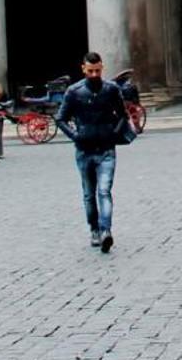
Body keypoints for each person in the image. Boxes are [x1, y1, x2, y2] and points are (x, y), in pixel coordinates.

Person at [54, 52, 129, 253]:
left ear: (102, 68)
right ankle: (94, 229)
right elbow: (59, 118)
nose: (94, 75)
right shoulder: (74, 92)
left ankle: (106, 231)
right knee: (89, 194)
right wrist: (75, 136)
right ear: (83, 69)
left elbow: (124, 115)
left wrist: (114, 134)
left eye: (97, 71)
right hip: (84, 150)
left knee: (104, 191)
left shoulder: (111, 90)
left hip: (106, 149)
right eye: (90, 71)